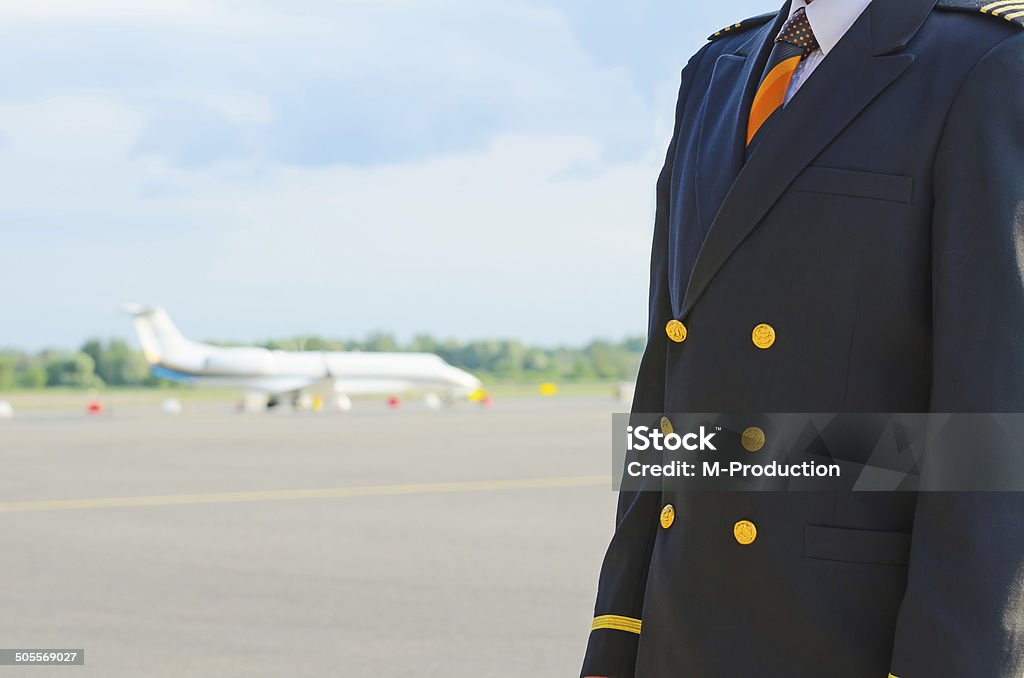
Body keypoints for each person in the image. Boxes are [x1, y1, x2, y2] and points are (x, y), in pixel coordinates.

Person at [581, 1, 1024, 676]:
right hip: (682, 633)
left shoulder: (988, 63)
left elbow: (992, 435)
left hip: (842, 637)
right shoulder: (715, 70)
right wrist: (618, 633)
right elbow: (669, 394)